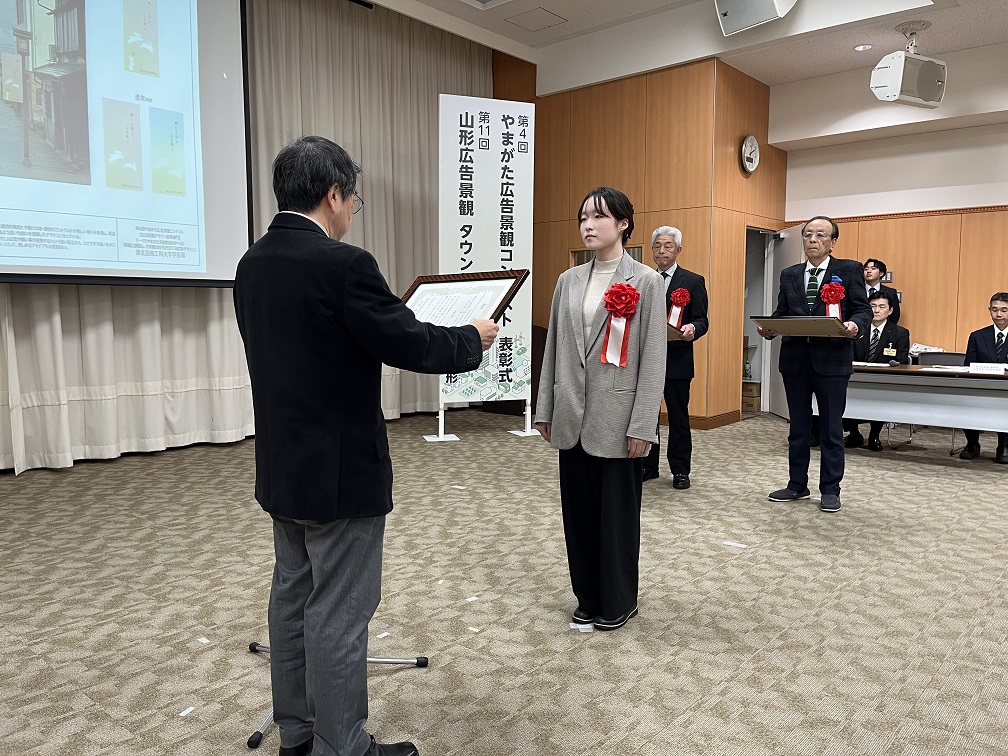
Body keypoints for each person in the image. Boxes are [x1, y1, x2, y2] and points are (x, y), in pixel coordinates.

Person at [233, 136, 498, 756]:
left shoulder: (251, 263)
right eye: (354, 198)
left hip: (283, 468)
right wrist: (472, 336)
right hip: (341, 475)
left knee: (292, 600)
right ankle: (343, 746)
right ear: (334, 194)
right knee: (339, 613)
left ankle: (298, 736)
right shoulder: (344, 265)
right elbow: (409, 342)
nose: (354, 210)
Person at [534, 187, 666, 631]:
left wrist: (644, 425)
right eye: (583, 218)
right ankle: (587, 597)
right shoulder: (568, 280)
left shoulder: (646, 281)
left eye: (599, 217)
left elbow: (653, 360)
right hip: (571, 413)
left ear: (623, 223)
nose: (588, 225)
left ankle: (619, 601)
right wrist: (545, 408)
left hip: (619, 417)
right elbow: (554, 349)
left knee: (617, 518)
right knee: (578, 516)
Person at [756, 216, 871, 512]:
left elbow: (862, 310)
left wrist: (855, 325)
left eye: (820, 235)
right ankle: (797, 485)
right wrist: (770, 327)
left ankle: (830, 489)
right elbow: (782, 312)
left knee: (831, 429)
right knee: (799, 428)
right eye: (808, 234)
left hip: (832, 361)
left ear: (833, 242)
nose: (812, 240)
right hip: (795, 361)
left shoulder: (849, 270)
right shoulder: (790, 274)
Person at [641, 226, 709, 489]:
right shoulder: (644, 279)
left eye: (668, 246)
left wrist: (693, 328)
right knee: (648, 415)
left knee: (678, 416)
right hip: (647, 360)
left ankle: (680, 470)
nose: (662, 251)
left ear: (678, 250)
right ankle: (648, 465)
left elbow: (702, 320)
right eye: (657, 246)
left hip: (677, 360)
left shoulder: (692, 281)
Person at [843, 289, 910, 451]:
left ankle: (874, 435)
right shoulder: (857, 330)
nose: (877, 310)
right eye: (872, 306)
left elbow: (901, 360)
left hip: (884, 381)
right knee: (846, 394)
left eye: (881, 307)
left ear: (890, 310)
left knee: (879, 396)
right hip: (856, 379)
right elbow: (850, 355)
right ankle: (854, 434)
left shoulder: (900, 333)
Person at [959, 292, 1008, 464]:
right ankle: (972, 444)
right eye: (995, 310)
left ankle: (1004, 446)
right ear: (989, 310)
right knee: (964, 403)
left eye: (1004, 310)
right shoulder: (977, 336)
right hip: (981, 387)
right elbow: (968, 366)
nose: (999, 314)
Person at [862, 258, 901, 325]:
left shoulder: (891, 292)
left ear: (881, 273)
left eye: (873, 268)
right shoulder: (857, 290)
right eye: (866, 269)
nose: (868, 271)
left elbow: (895, 316)